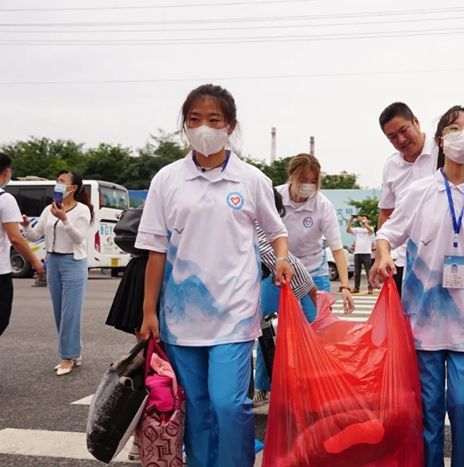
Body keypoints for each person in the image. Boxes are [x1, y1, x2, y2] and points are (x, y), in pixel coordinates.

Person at [136, 83, 293, 467]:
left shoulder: (250, 179)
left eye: (213, 120)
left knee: (229, 404)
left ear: (230, 126)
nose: (203, 128)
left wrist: (284, 259)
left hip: (235, 315)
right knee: (198, 409)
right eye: (194, 120)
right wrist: (148, 311)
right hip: (180, 318)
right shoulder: (167, 180)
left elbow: (277, 231)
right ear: (184, 126)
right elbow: (155, 249)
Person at [371, 105, 464, 467]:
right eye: (454, 129)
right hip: (422, 326)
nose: (462, 136)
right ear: (440, 140)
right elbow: (388, 233)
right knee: (427, 414)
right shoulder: (418, 192)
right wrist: (383, 254)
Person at [22, 170, 92, 376]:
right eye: (57, 181)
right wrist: (26, 226)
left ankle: (67, 357)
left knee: (71, 312)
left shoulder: (82, 210)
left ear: (74, 188)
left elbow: (79, 238)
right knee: (59, 310)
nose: (57, 185)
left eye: (62, 182)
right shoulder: (48, 209)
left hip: (73, 261)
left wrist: (64, 219)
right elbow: (36, 235)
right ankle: (74, 352)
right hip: (52, 260)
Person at [253, 187, 318, 407]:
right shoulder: (260, 229)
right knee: (269, 337)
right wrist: (314, 294)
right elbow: (288, 263)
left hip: (256, 289)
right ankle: (272, 388)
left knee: (267, 336)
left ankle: (269, 388)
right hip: (257, 289)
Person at [278, 153, 354, 313]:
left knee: (318, 324)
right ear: (291, 175)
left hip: (313, 272)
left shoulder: (323, 206)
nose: (308, 186)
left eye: (313, 181)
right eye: (304, 180)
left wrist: (345, 286)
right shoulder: (274, 198)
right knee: (273, 325)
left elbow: (337, 250)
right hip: (279, 271)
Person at [378, 102, 438, 296]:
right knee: (404, 322)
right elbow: (386, 213)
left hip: (442, 257)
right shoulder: (391, 166)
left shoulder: (443, 152)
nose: (401, 140)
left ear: (416, 122)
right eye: (392, 137)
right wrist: (381, 256)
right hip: (405, 260)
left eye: (404, 130)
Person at [0, 153, 44, 337]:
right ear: (7, 171)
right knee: (1, 318)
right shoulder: (5, 199)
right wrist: (36, 262)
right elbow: (15, 238)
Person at [346, 213, 374, 294]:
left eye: (365, 219)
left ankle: (370, 288)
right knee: (357, 272)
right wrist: (351, 220)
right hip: (357, 253)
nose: (363, 220)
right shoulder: (357, 229)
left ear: (368, 221)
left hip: (366, 253)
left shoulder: (370, 229)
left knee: (368, 272)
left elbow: (370, 230)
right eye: (362, 219)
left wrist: (363, 221)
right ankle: (356, 288)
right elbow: (348, 230)